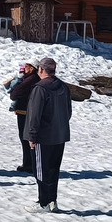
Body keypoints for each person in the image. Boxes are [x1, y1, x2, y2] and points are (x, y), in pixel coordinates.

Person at [23, 57, 72, 213]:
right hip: (59, 135)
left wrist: (32, 136)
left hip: (43, 137)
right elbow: (68, 112)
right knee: (53, 169)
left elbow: (34, 115)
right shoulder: (63, 87)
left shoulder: (40, 88)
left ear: (41, 70)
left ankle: (43, 202)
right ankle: (52, 201)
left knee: (41, 170)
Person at [8, 60, 40, 173]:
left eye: (27, 66)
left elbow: (15, 93)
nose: (24, 68)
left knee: (25, 137)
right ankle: (28, 162)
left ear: (32, 68)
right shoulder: (29, 78)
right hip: (23, 111)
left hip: (25, 112)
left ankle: (28, 163)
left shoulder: (31, 79)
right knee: (24, 137)